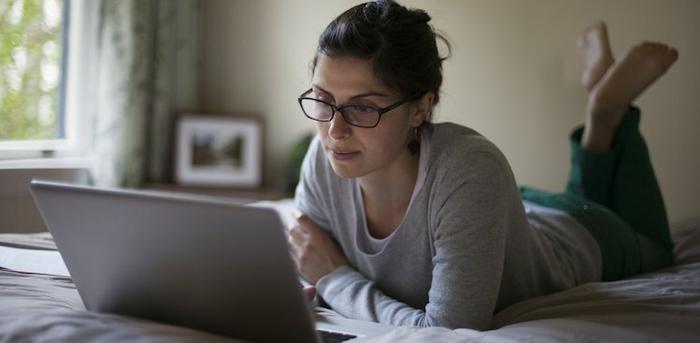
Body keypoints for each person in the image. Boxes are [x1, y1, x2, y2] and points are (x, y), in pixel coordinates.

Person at [288, 0, 679, 330]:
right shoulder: (324, 159)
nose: (334, 130)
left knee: (659, 248)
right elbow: (309, 265)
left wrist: (335, 280)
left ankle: (606, 110)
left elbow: (448, 332)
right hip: (516, 210)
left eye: (362, 107)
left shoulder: (470, 168)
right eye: (323, 100)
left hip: (587, 233)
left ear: (421, 108)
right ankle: (600, 95)